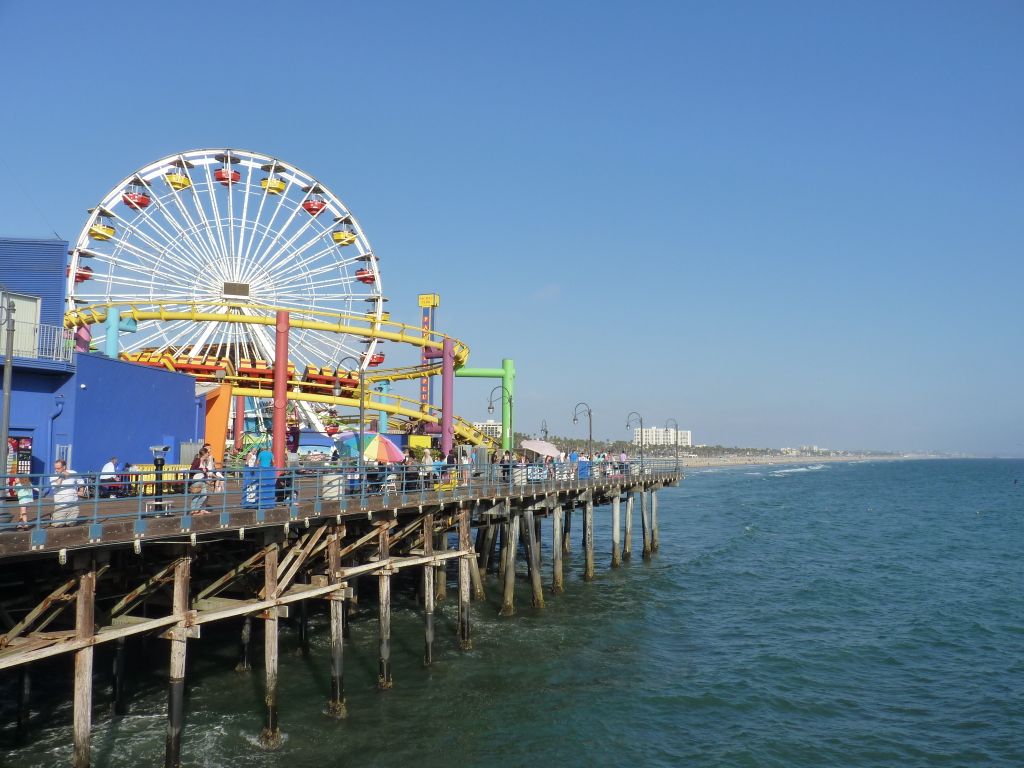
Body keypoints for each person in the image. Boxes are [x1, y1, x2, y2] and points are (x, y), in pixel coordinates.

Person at [49, 459, 84, 526]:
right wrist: (62, 476)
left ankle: (67, 519)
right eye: (55, 468)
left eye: (58, 468)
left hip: (73, 503)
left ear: (64, 467)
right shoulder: (53, 476)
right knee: (59, 525)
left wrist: (81, 490)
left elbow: (81, 482)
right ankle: (53, 517)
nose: (56, 470)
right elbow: (56, 485)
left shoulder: (73, 473)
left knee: (71, 524)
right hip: (60, 503)